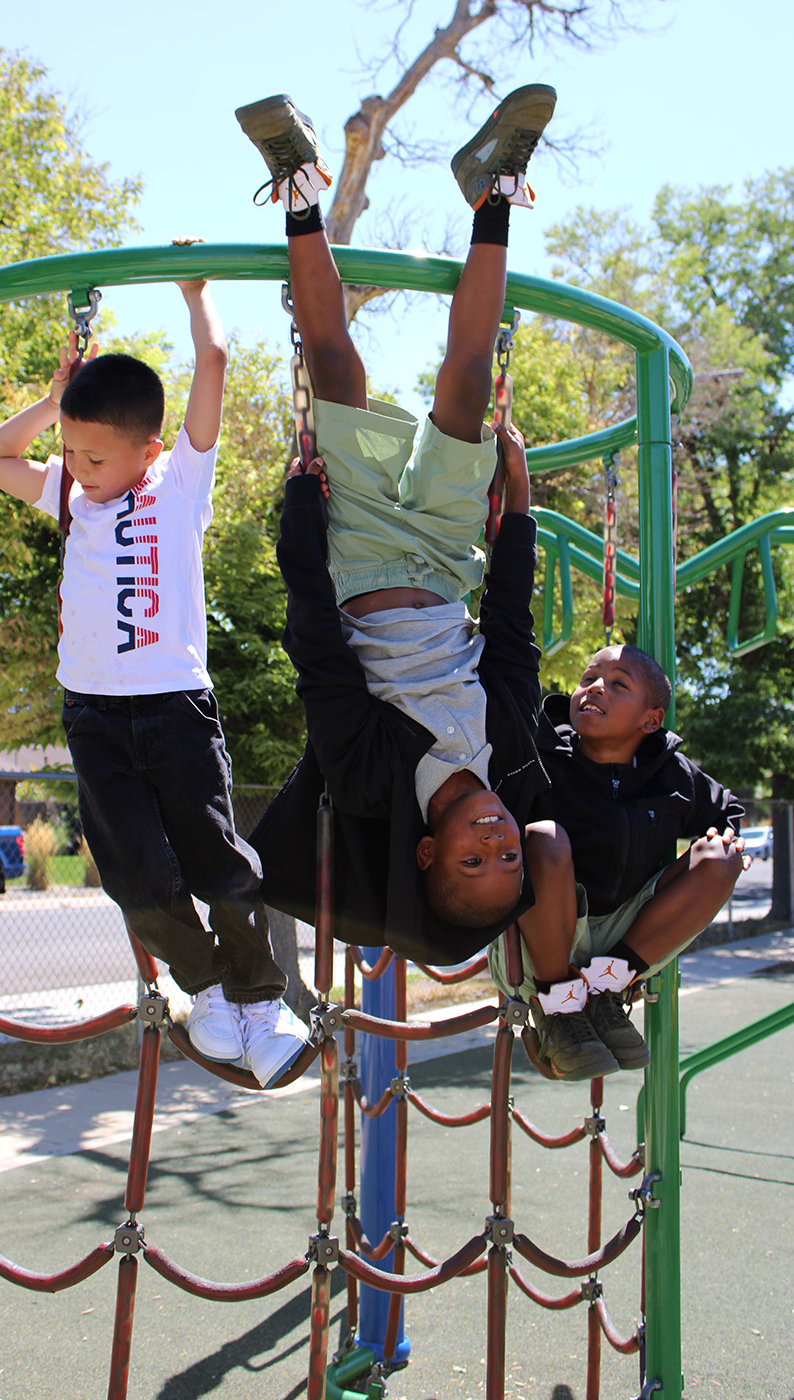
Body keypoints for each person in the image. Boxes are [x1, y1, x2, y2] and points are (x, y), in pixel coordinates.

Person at [0, 274, 309, 1087]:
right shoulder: (67, 493)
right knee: (137, 880)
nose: (77, 468)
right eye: (71, 451)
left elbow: (215, 358)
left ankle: (264, 1003)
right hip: (94, 716)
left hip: (175, 710)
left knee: (219, 864)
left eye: (94, 454)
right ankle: (211, 990)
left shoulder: (180, 484)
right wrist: (56, 403)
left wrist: (195, 295)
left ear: (147, 452)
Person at [237, 86, 557, 964]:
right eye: (506, 855)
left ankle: (300, 186)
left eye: (471, 857)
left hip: (361, 556)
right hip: (452, 558)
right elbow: (512, 636)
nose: (496, 836)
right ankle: (493, 194)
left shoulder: (371, 779)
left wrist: (301, 516)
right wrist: (517, 515)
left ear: (427, 853)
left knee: (336, 363)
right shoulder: (510, 753)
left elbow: (319, 652)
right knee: (466, 385)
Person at [489, 643, 748, 1080]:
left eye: (617, 684)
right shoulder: (539, 753)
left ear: (650, 720)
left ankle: (607, 990)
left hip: (624, 940)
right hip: (542, 935)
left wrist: (728, 837)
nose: (595, 689)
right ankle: (559, 1010)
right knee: (545, 838)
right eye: (588, 679)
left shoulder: (672, 775)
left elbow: (729, 813)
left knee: (723, 857)